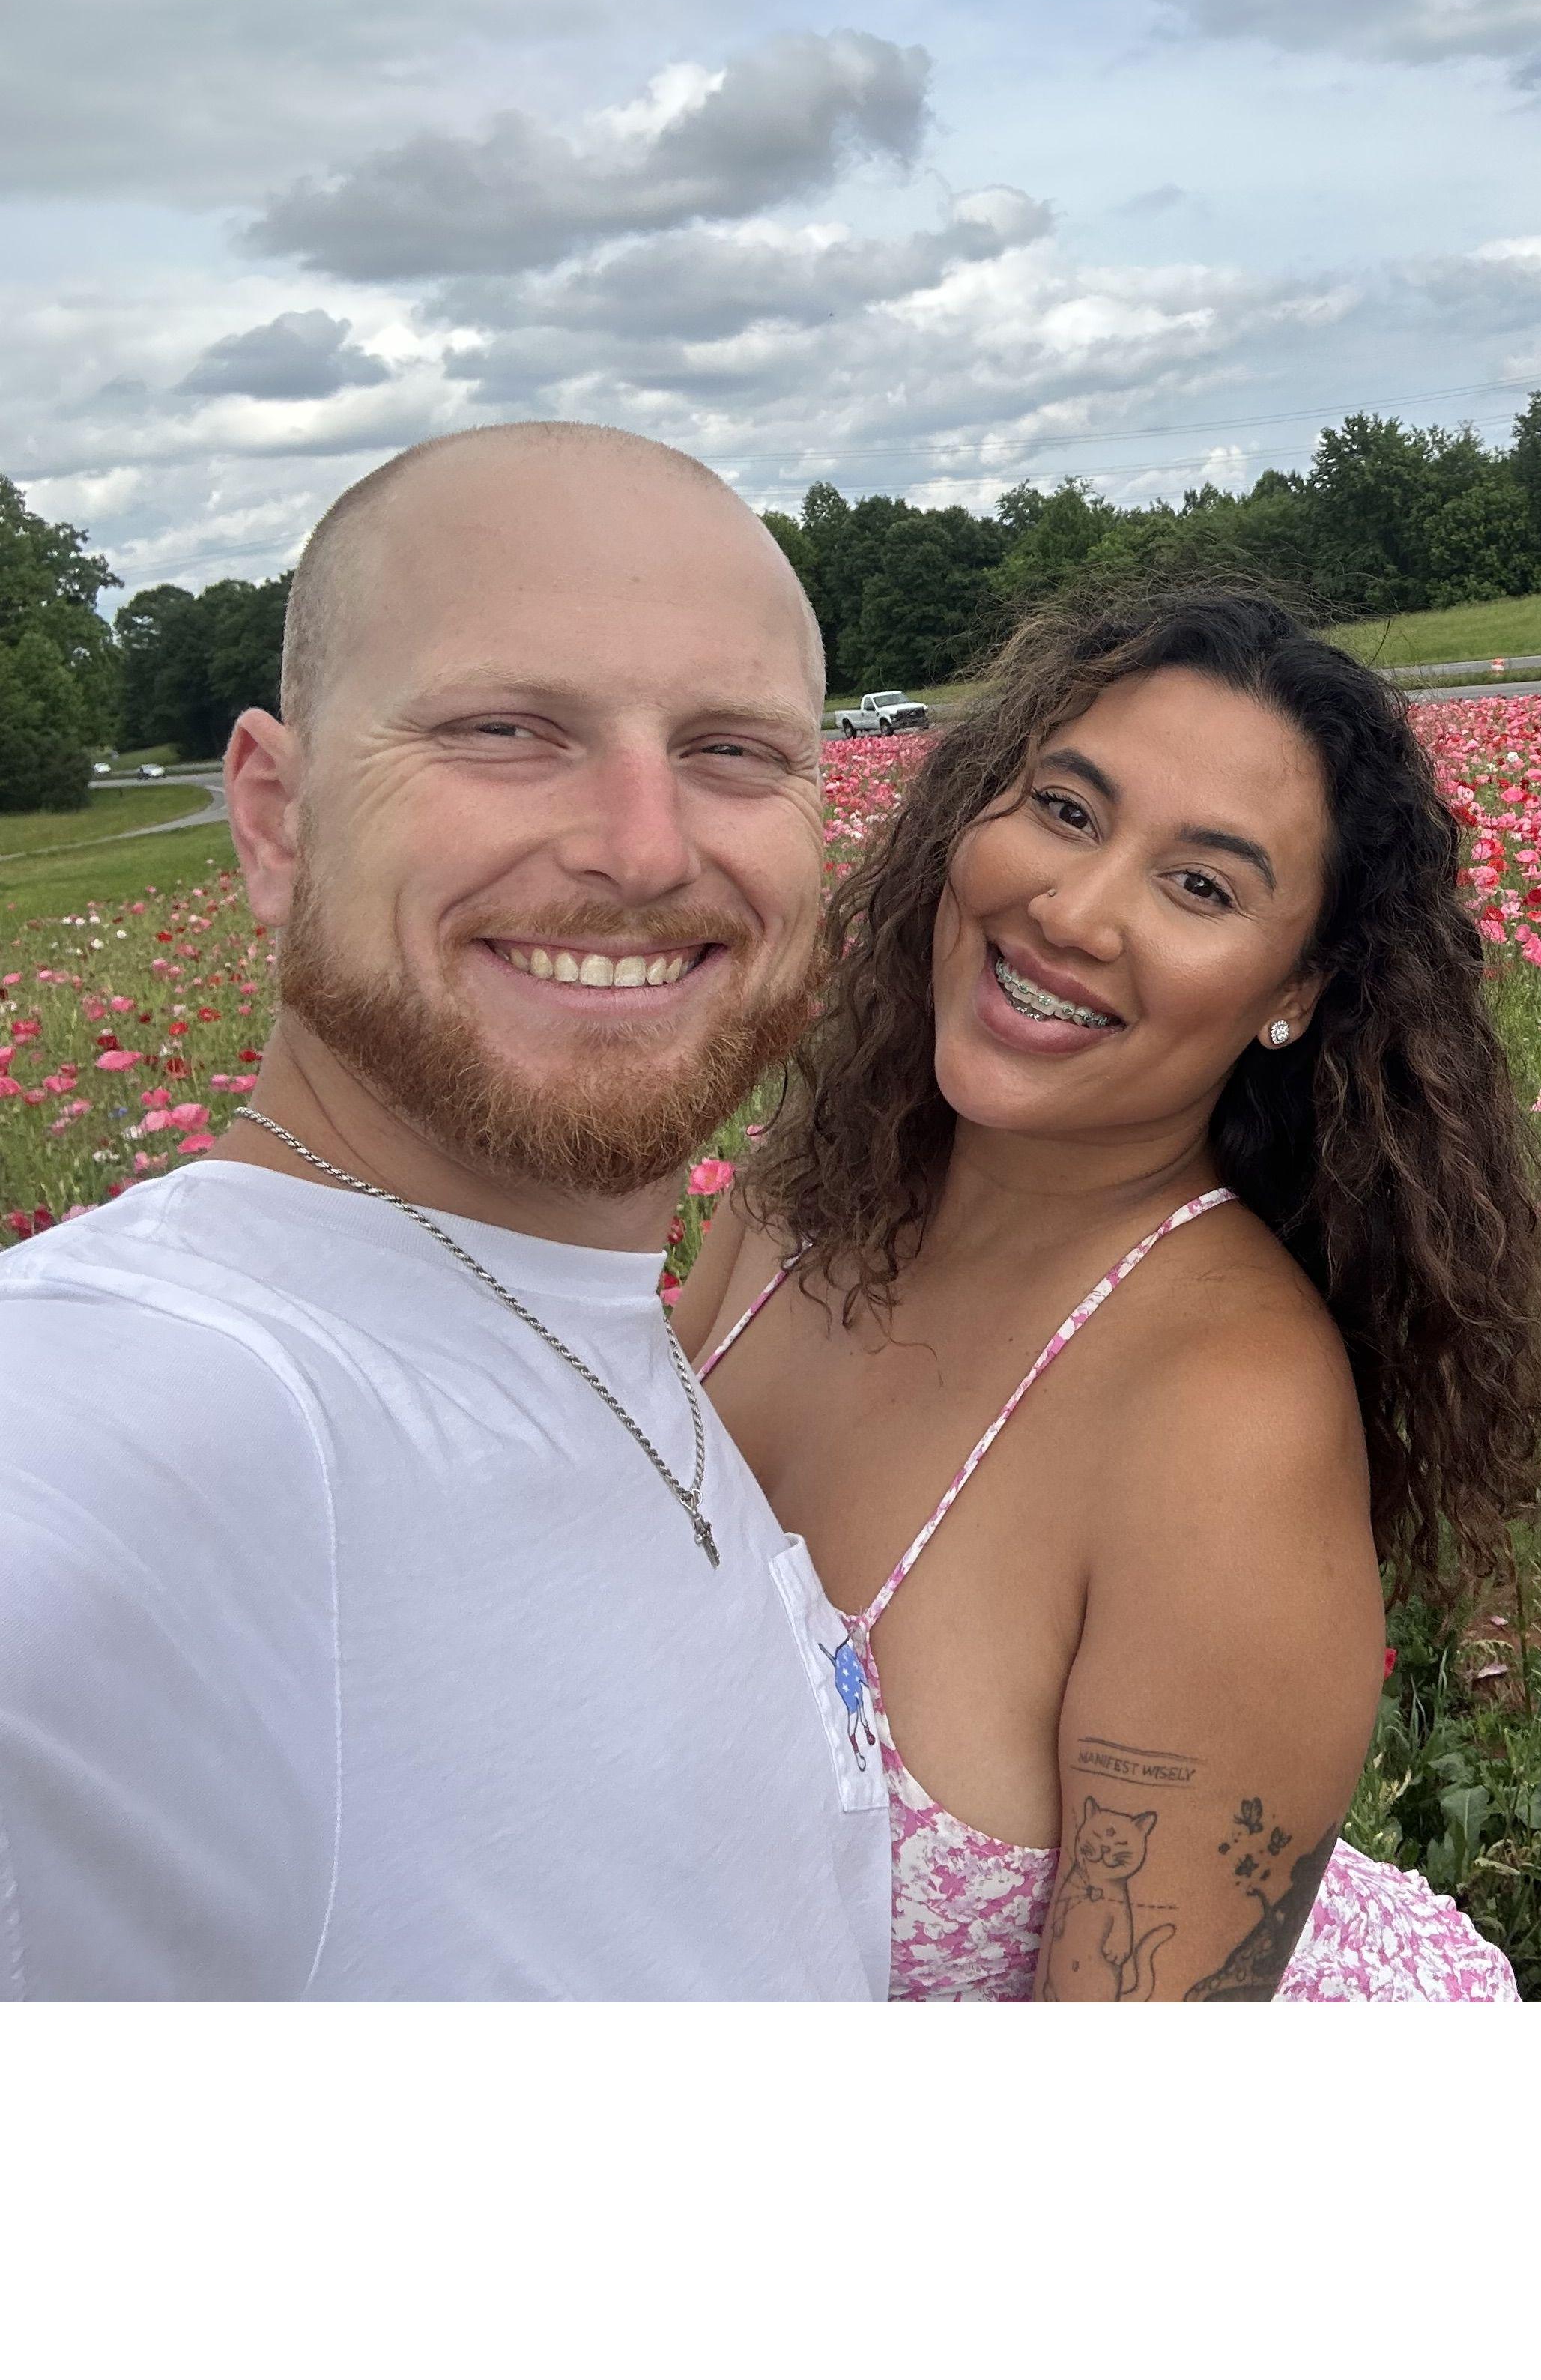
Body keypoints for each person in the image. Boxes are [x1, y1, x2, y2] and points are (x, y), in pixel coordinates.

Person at [0, 424, 887, 1999]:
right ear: (274, 819)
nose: (642, 847)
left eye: (734, 749)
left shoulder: (579, 1303)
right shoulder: (167, 1415)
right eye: (505, 730)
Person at [678, 581, 1541, 1999]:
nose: (1073, 911)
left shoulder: (1224, 1418)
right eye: (1067, 810)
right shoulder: (798, 1201)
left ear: (1296, 991)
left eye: (1202, 885)